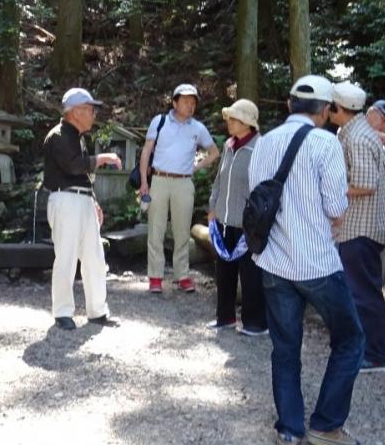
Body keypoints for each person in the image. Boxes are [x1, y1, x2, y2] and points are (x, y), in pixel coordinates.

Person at [248, 75, 366, 445]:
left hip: (274, 262)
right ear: (326, 111)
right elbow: (336, 207)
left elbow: (258, 198)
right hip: (316, 262)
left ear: (288, 105)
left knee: (285, 347)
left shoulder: (264, 142)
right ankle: (326, 425)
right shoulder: (325, 143)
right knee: (350, 339)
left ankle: (289, 430)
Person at [328, 83, 385, 374]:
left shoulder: (357, 137)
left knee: (364, 293)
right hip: (358, 225)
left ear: (338, 108)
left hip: (363, 228)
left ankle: (378, 355)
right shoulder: (353, 132)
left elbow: (365, 185)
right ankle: (366, 349)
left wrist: (333, 189)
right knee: (361, 291)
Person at [43, 87, 123, 330]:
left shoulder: (77, 136)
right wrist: (102, 158)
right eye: (90, 110)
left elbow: (82, 176)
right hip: (65, 200)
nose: (93, 115)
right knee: (66, 256)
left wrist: (94, 200)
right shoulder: (58, 136)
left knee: (94, 255)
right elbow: (73, 166)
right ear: (76, 112)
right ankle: (62, 312)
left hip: (82, 199)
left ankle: (97, 310)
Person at [138, 84, 220, 294]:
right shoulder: (160, 121)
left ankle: (182, 275)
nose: (190, 106)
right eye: (185, 101)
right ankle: (155, 277)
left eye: (193, 102)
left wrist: (195, 167)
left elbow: (214, 152)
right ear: (174, 102)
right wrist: (144, 182)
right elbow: (146, 152)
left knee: (182, 231)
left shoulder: (198, 128)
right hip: (159, 178)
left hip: (184, 182)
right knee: (155, 230)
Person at [206, 98, 266, 335]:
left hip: (248, 225)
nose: (228, 122)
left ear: (246, 122)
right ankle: (225, 317)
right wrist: (212, 207)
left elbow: (262, 189)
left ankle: (255, 323)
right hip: (223, 220)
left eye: (233, 118)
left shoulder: (259, 148)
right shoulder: (229, 146)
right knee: (224, 273)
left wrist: (254, 219)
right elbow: (219, 180)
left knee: (251, 276)